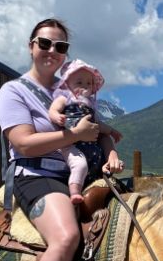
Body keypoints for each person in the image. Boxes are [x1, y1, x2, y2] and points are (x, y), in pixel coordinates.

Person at [0, 18, 124, 261]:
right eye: (45, 43)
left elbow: (96, 129)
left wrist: (109, 150)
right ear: (31, 46)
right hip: (35, 173)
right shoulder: (14, 91)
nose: (52, 51)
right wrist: (73, 136)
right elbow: (22, 142)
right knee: (66, 236)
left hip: (78, 173)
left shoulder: (70, 89)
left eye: (61, 46)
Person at [48, 59, 122, 204]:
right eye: (79, 83)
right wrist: (57, 116)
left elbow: (97, 124)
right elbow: (52, 110)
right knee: (79, 164)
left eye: (88, 83)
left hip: (91, 147)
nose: (84, 87)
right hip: (72, 144)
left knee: (97, 164)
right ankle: (74, 191)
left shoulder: (90, 106)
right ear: (67, 84)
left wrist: (111, 131)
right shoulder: (65, 98)